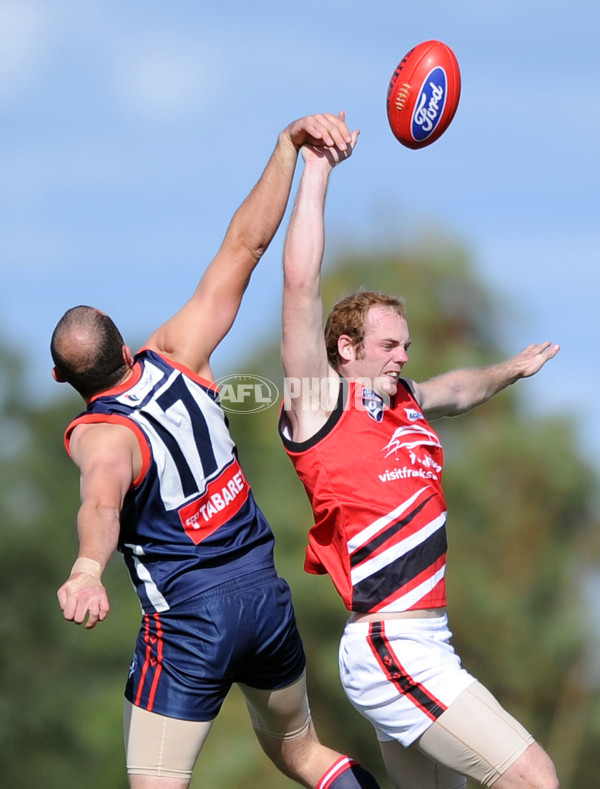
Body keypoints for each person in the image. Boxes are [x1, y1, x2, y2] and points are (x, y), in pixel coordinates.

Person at [52, 113, 380, 789]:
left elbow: (102, 500)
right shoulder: (179, 351)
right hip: (264, 598)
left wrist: (88, 568)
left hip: (191, 622)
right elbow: (246, 245)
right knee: (302, 752)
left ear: (64, 381)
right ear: (125, 342)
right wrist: (288, 145)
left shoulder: (102, 436)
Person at [278, 112, 561, 789]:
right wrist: (315, 169)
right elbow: (299, 285)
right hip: (388, 642)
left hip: (429, 640)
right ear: (345, 350)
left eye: (406, 346)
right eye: (388, 345)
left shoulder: (403, 399)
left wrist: (510, 371)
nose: (402, 356)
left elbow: (459, 389)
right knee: (535, 776)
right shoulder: (319, 405)